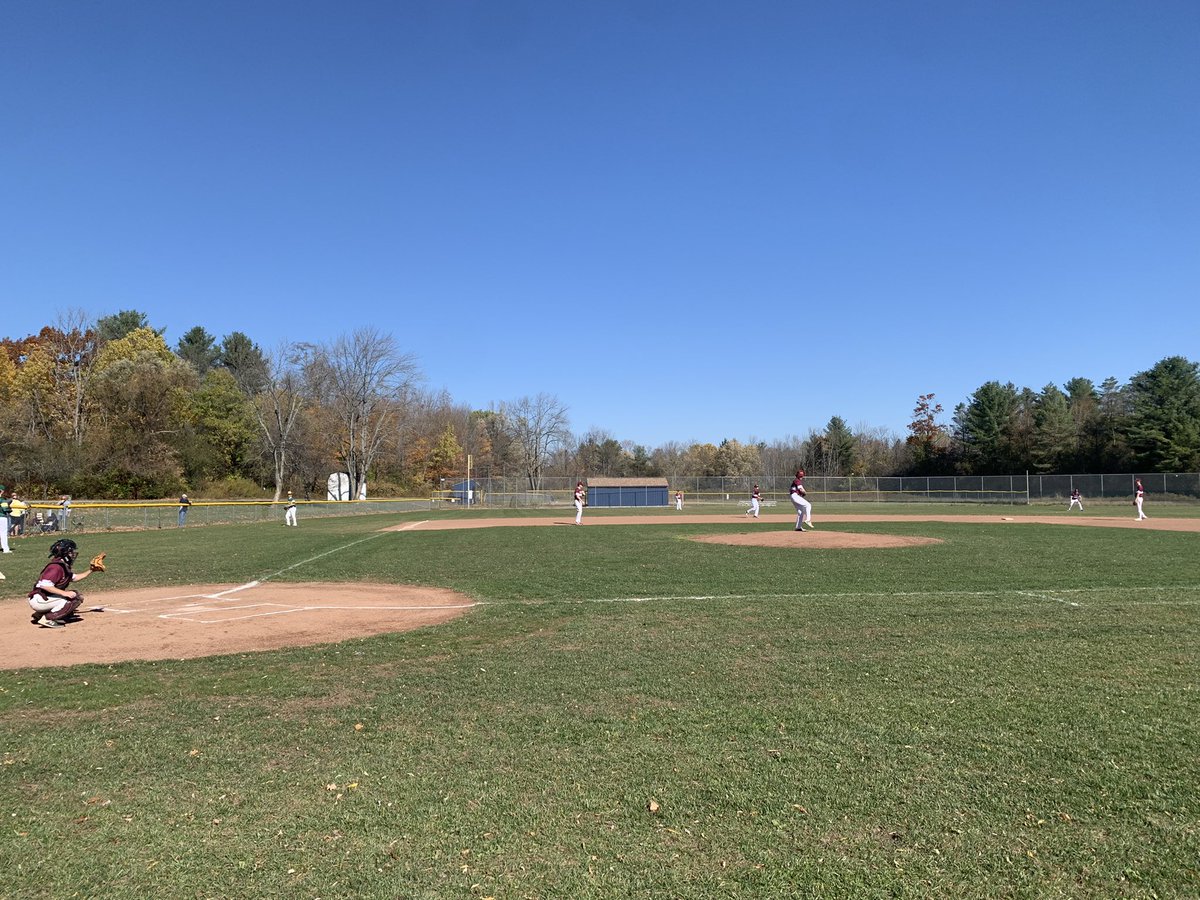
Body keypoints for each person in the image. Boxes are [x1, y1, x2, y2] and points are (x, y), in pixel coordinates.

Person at [27, 538, 100, 628]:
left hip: (44, 599)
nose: (73, 554)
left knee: (75, 594)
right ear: (65, 553)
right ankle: (48, 618)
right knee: (74, 599)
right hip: (39, 600)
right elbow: (45, 585)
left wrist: (91, 570)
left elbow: (74, 577)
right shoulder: (56, 567)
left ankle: (39, 615)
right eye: (71, 552)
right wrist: (64, 593)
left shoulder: (62, 565)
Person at [0, 487, 11, 553]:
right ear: (2, 491)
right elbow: (5, 509)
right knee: (3, 533)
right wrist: (10, 508)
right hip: (2, 517)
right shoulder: (2, 500)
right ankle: (6, 549)